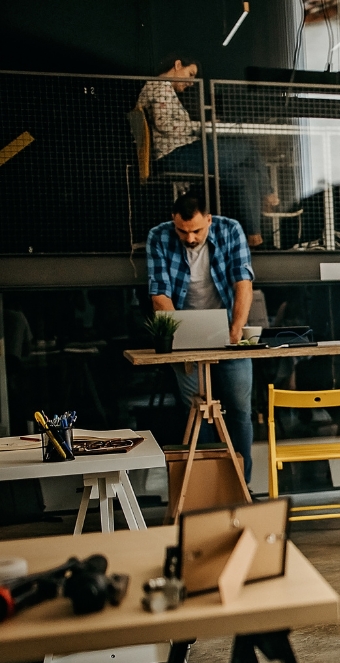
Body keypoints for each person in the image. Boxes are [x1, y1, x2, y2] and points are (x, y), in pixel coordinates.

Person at [147, 193, 255, 480]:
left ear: (209, 219)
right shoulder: (158, 237)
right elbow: (160, 295)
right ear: (174, 221)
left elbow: (243, 284)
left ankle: (240, 483)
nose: (191, 238)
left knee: (240, 409)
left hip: (229, 329)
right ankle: (211, 485)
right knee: (195, 410)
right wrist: (182, 337)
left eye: (197, 230)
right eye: (183, 231)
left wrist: (235, 331)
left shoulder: (230, 229)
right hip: (184, 332)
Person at [138, 56, 277, 247]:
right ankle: (269, 195)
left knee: (247, 175)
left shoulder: (159, 88)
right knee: (248, 148)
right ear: (178, 65)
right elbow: (165, 124)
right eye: (190, 74)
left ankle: (254, 238)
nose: (191, 81)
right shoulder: (160, 86)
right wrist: (199, 126)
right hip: (176, 156)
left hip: (180, 154)